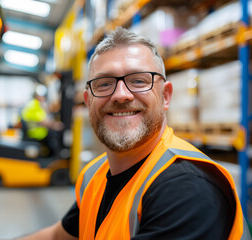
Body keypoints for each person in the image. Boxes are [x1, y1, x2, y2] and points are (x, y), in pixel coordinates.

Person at [14, 27, 251, 239]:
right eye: (104, 83)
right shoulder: (93, 175)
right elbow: (58, 236)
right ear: (88, 101)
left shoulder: (188, 189)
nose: (121, 95)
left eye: (138, 80)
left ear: (166, 96)